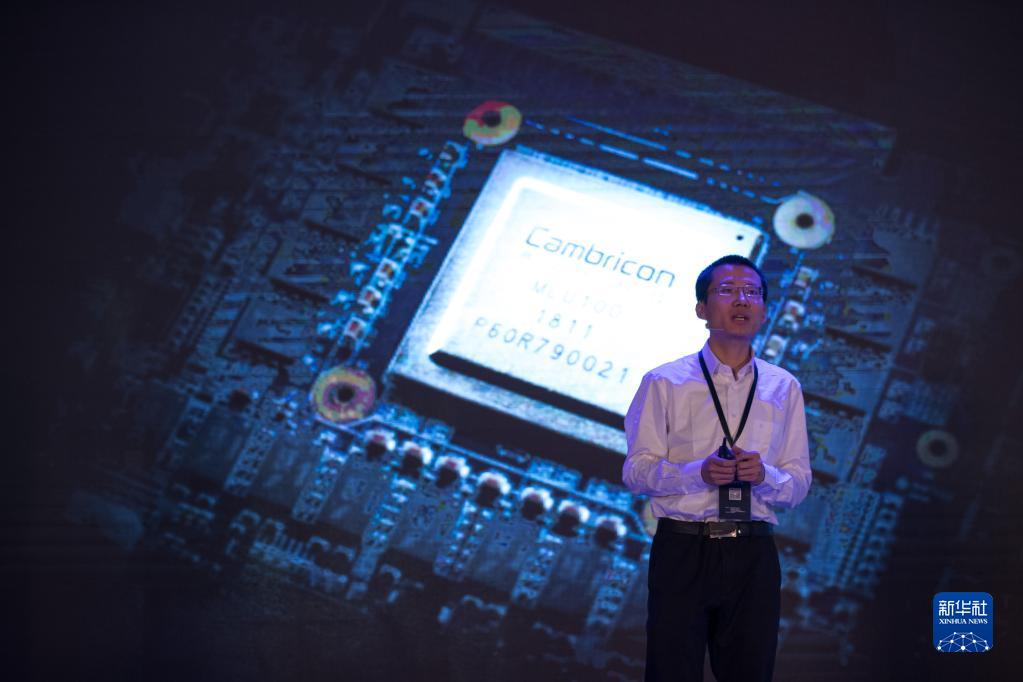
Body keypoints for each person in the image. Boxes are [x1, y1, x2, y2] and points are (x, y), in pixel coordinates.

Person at [623, 254, 812, 682]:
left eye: (752, 292)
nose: (741, 300)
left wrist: (763, 475)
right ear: (701, 309)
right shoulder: (664, 382)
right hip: (682, 547)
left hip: (752, 552)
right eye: (726, 290)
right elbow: (636, 471)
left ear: (764, 310)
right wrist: (697, 473)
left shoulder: (784, 387)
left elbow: (798, 484)